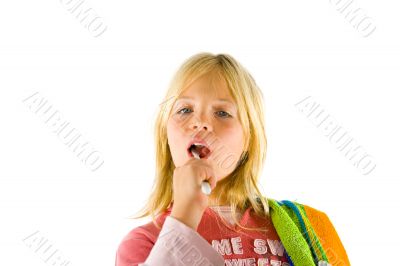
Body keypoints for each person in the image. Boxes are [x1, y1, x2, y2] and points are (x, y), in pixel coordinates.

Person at [115, 52, 350, 266]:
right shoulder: (144, 244)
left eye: (222, 113)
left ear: (249, 138)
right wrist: (185, 215)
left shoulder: (309, 228)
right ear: (165, 134)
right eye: (184, 110)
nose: (200, 122)